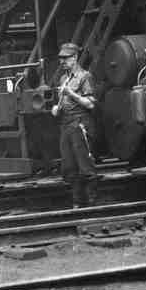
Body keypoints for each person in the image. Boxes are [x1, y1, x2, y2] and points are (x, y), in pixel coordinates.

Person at [50, 42, 98, 207]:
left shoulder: (85, 76)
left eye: (66, 58)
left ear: (75, 57)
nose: (62, 61)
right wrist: (56, 108)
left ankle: (91, 201)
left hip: (80, 123)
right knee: (69, 166)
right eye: (61, 58)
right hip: (66, 123)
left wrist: (71, 93)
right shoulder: (64, 78)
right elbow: (62, 103)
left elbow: (91, 104)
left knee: (84, 164)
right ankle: (77, 200)